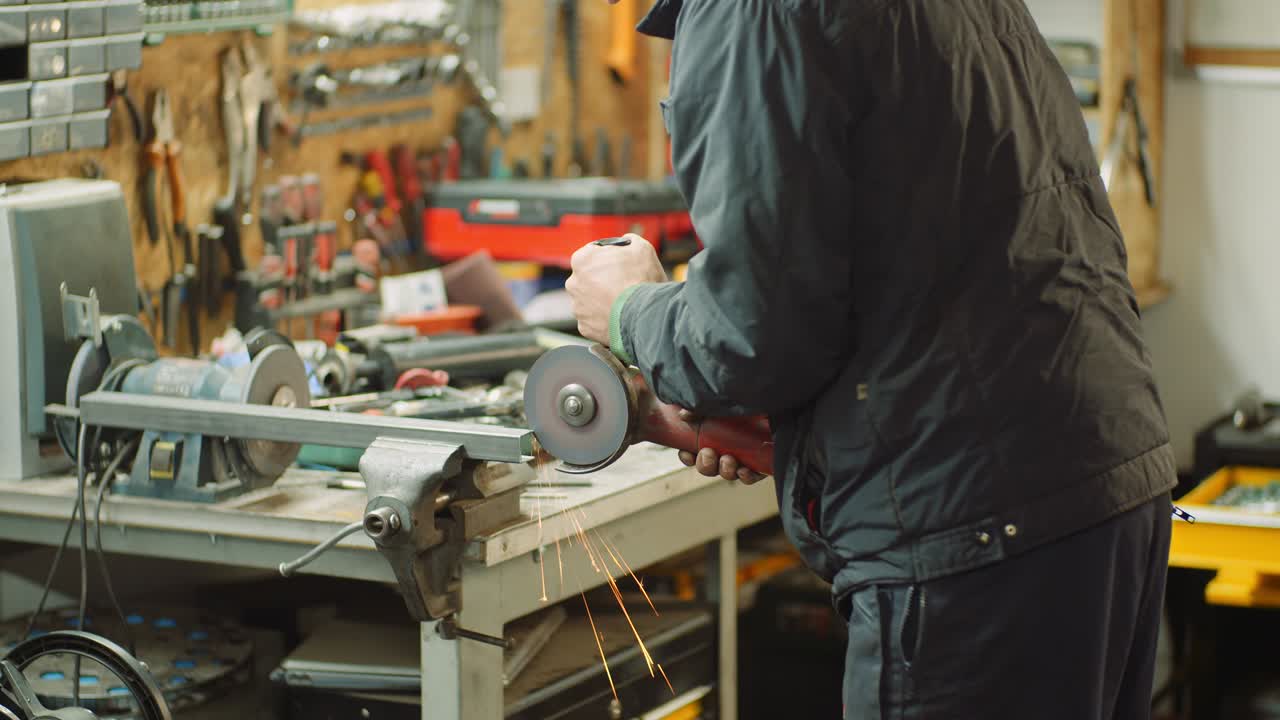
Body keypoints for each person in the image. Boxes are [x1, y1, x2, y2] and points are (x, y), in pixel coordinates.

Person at [565, 0, 1177, 717]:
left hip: (970, 535)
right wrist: (799, 428)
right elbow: (921, 248)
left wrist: (631, 311)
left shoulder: (751, 12)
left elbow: (752, 337)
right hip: (1098, 483)